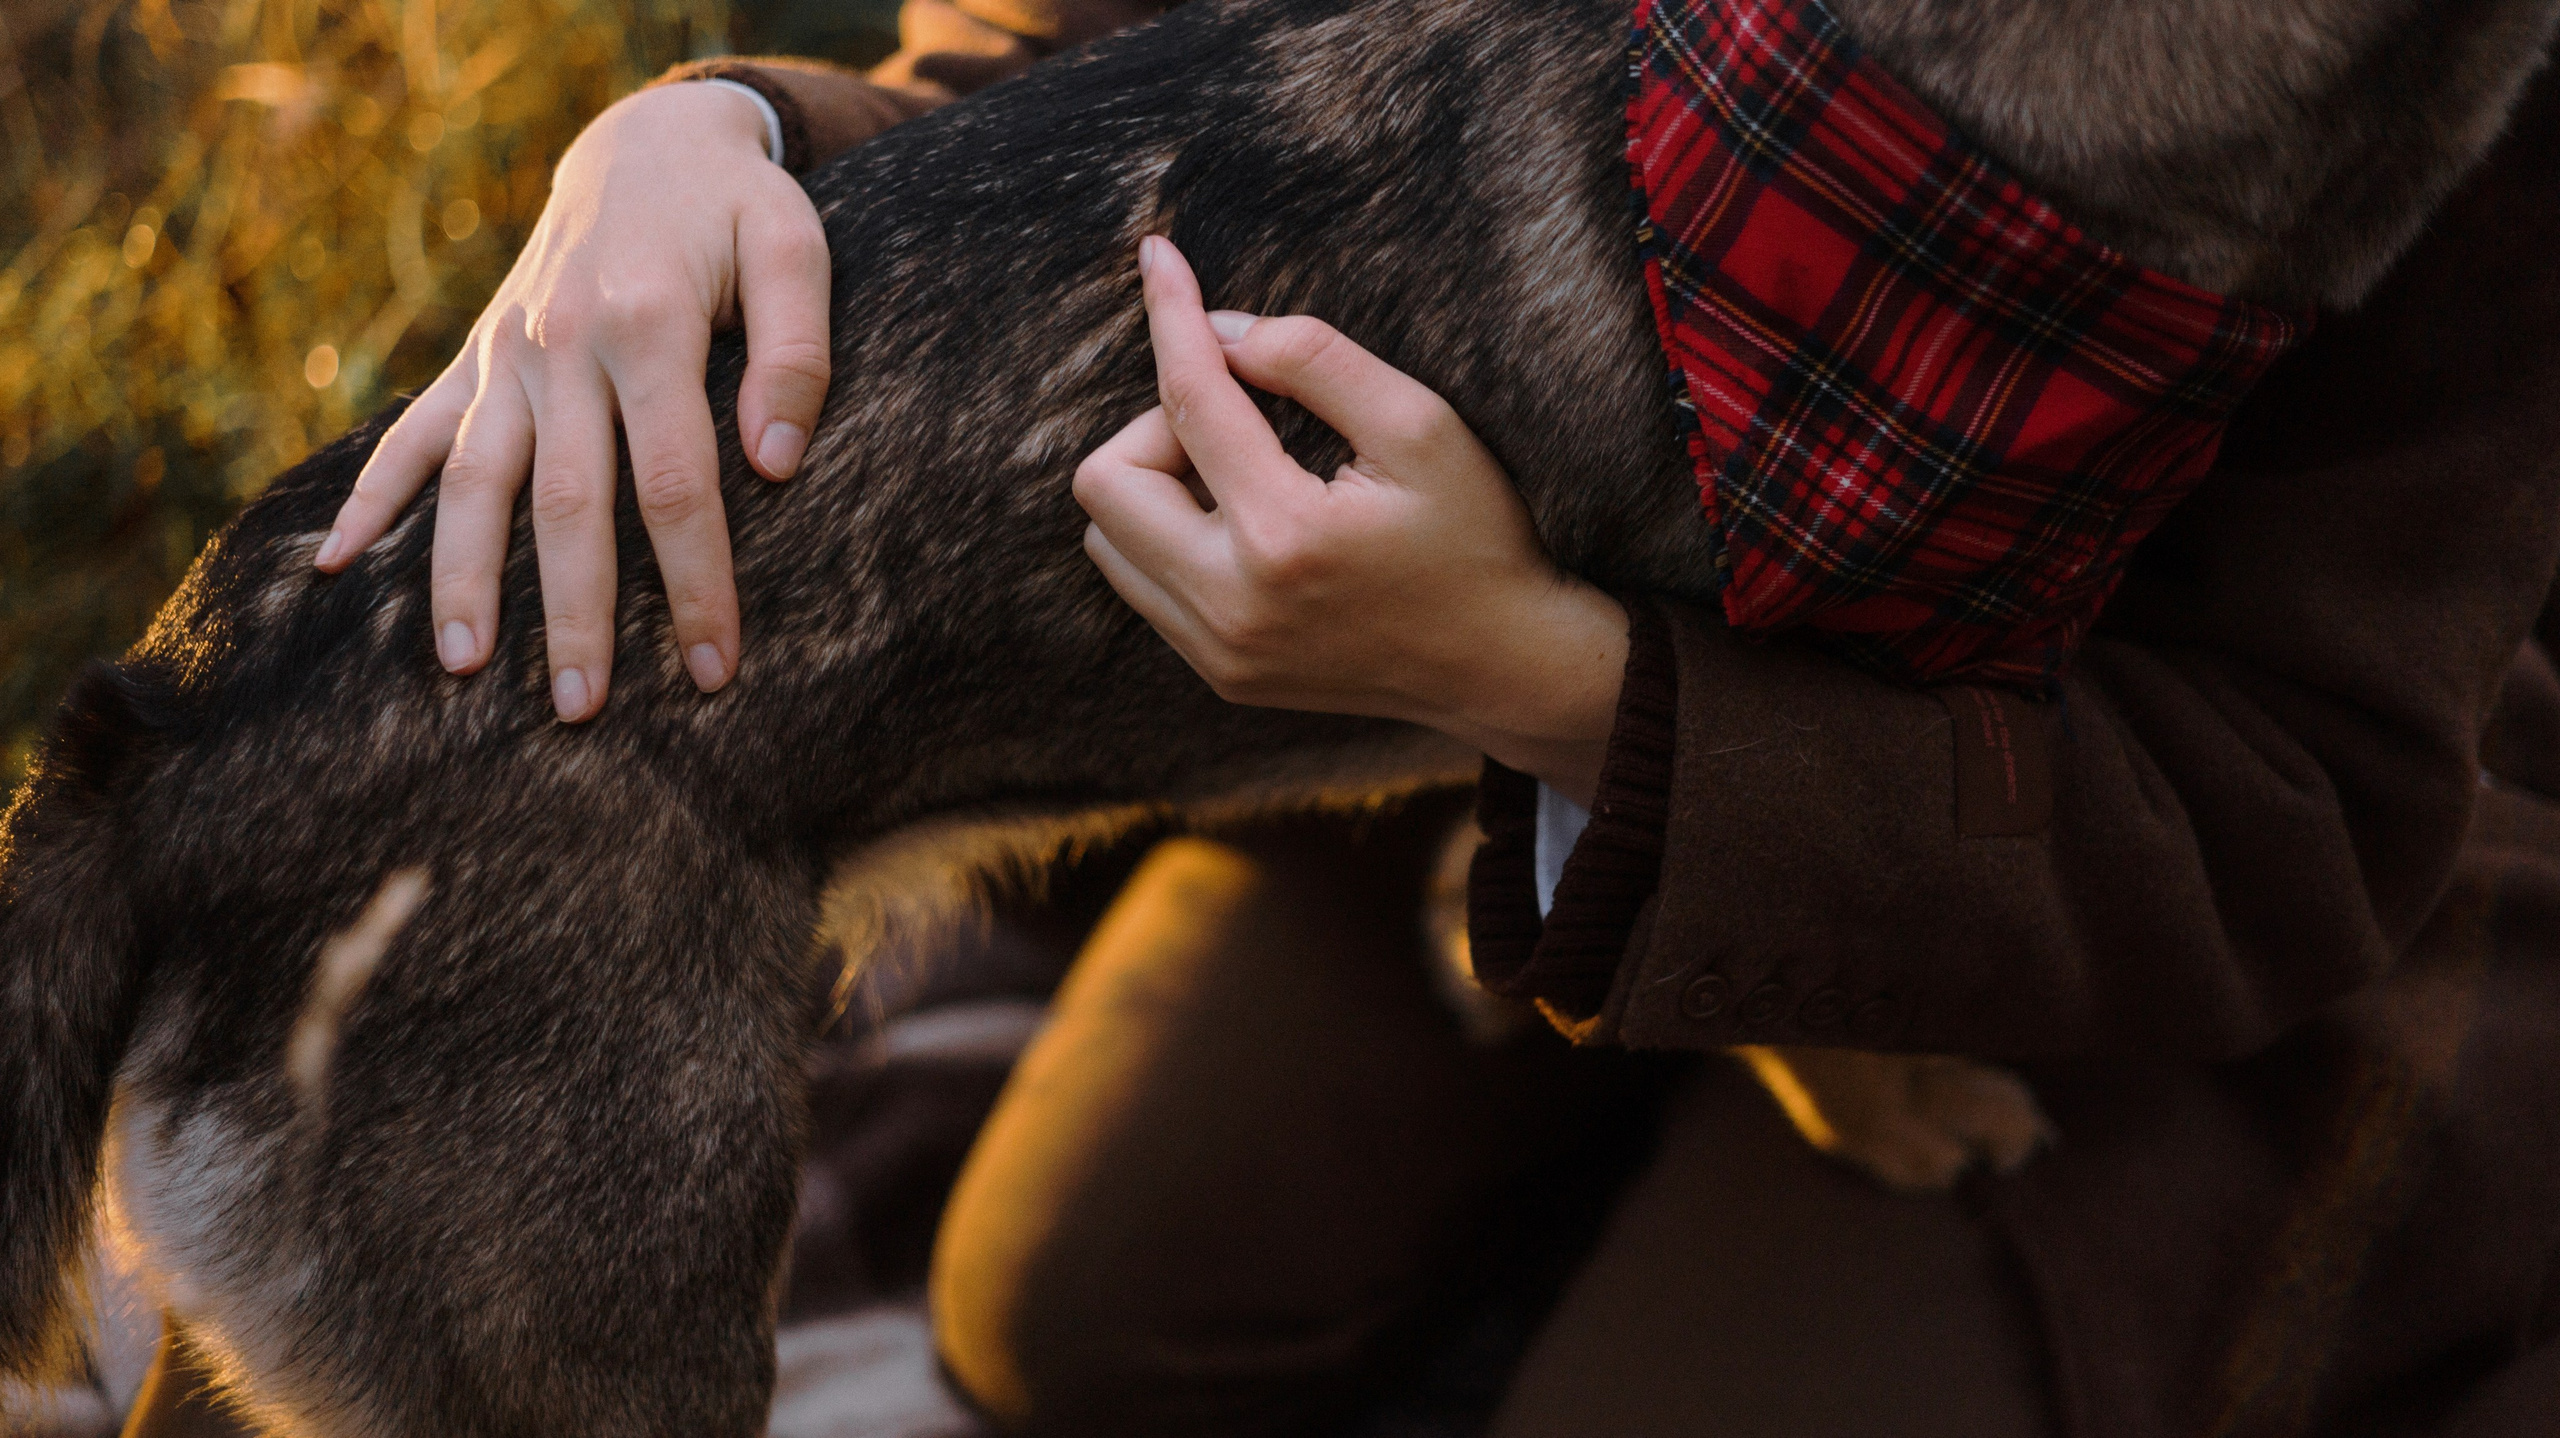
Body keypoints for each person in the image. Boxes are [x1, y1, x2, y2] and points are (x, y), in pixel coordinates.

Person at [122, 0, 2560, 1433]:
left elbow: (2294, 801)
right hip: (1456, 731)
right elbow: (1045, 61)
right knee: (1082, 1319)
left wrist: (1523, 670)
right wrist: (699, 139)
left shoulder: (2438, 81)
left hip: (2114, 842)